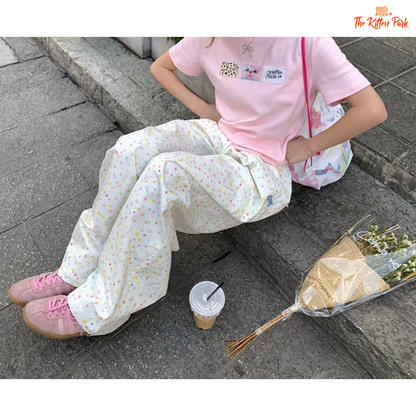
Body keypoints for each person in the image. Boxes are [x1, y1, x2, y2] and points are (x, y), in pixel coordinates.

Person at [8, 37, 387, 339]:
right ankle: (77, 268)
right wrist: (205, 109)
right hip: (220, 135)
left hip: (261, 170)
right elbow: (161, 66)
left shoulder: (305, 40)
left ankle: (102, 308)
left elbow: (371, 108)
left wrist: (307, 147)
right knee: (130, 150)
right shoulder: (211, 34)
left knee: (164, 174)